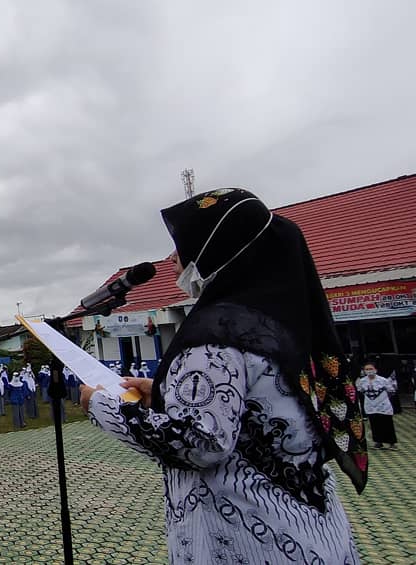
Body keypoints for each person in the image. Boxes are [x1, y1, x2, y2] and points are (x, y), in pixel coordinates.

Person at [81, 188, 363, 563]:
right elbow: (255, 406)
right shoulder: (272, 321)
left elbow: (202, 443)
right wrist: (164, 393)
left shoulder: (214, 336)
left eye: (182, 246)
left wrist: (102, 406)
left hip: (247, 535)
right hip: (310, 526)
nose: (173, 260)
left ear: (213, 251)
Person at [356, 362, 397, 449]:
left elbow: (391, 391)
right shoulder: (362, 381)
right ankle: (378, 442)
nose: (369, 371)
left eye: (371, 369)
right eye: (367, 369)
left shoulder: (383, 380)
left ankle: (392, 443)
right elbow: (360, 391)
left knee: (387, 424)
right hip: (370, 406)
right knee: (374, 424)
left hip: (383, 406)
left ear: (375, 370)